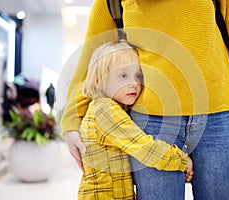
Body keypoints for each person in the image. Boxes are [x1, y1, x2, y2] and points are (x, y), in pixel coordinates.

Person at [60, 0, 229, 199]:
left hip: (219, 118)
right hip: (152, 122)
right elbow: (93, 54)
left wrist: (224, 95)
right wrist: (71, 119)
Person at [77, 40, 193, 199]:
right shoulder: (105, 110)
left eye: (138, 75)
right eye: (123, 75)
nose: (134, 83)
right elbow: (144, 147)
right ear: (99, 80)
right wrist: (181, 160)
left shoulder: (108, 108)